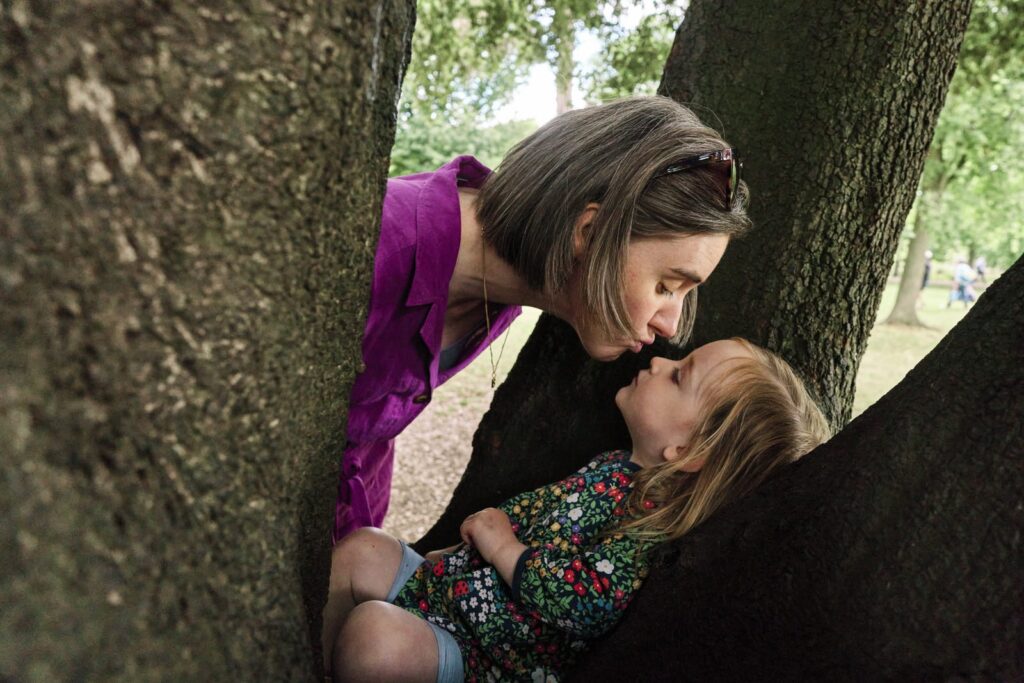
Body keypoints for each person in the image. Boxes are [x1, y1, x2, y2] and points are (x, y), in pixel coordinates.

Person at [335, 96, 752, 543]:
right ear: (589, 233)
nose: (670, 325)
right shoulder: (370, 253)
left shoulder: (500, 290)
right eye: (667, 286)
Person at [323, 338, 831, 682]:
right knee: (362, 548)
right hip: (450, 596)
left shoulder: (648, 523)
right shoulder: (613, 468)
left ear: (690, 452)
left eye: (678, 377)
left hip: (483, 654)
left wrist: (501, 546)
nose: (658, 362)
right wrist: (463, 551)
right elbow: (532, 516)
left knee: (374, 637)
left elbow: (583, 602)